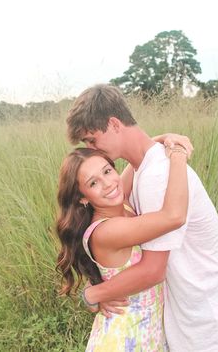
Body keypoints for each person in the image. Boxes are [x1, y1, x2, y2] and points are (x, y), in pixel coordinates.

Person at [66, 84, 218, 352]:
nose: (92, 150)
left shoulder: (157, 176)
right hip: (192, 319)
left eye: (92, 140)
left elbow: (154, 268)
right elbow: (116, 188)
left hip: (206, 325)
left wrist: (95, 293)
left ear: (114, 124)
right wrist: (161, 138)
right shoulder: (143, 168)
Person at [56, 144, 188, 351]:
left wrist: (163, 139)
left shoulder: (120, 202)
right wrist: (179, 156)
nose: (108, 184)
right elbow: (174, 216)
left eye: (108, 171)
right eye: (93, 183)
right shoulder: (107, 231)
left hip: (146, 332)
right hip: (124, 338)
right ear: (82, 197)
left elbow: (139, 156)